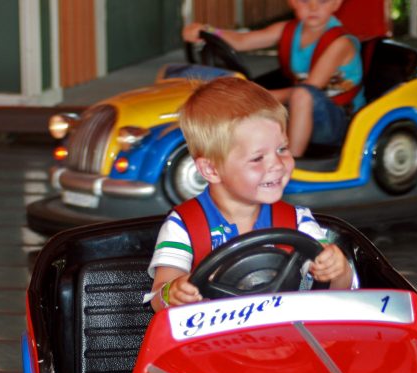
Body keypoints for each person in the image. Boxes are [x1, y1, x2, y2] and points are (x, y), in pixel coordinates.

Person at [147, 77, 355, 312]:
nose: (277, 164)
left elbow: (338, 294)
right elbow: (158, 300)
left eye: (282, 149)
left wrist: (338, 270)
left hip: (289, 337)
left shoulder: (298, 222)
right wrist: (174, 292)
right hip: (213, 342)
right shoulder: (184, 226)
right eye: (258, 158)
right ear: (211, 169)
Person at [182, 0, 365, 158]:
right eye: (304, 1)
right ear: (292, 2)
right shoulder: (288, 30)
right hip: (302, 110)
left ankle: (292, 161)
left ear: (336, 3)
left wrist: (254, 96)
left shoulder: (340, 43)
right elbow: (242, 41)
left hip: (340, 122)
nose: (313, 7)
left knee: (299, 95)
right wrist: (206, 31)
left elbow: (310, 90)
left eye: (322, 1)